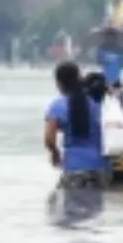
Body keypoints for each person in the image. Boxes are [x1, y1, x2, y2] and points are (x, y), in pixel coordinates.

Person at [44, 61, 108, 189]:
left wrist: (55, 153)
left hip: (74, 166)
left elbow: (49, 139)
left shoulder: (57, 106)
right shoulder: (95, 103)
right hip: (100, 166)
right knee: (95, 206)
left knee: (67, 205)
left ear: (58, 83)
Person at [84, 70, 123, 189]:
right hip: (120, 165)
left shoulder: (86, 107)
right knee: (119, 197)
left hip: (95, 167)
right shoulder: (115, 105)